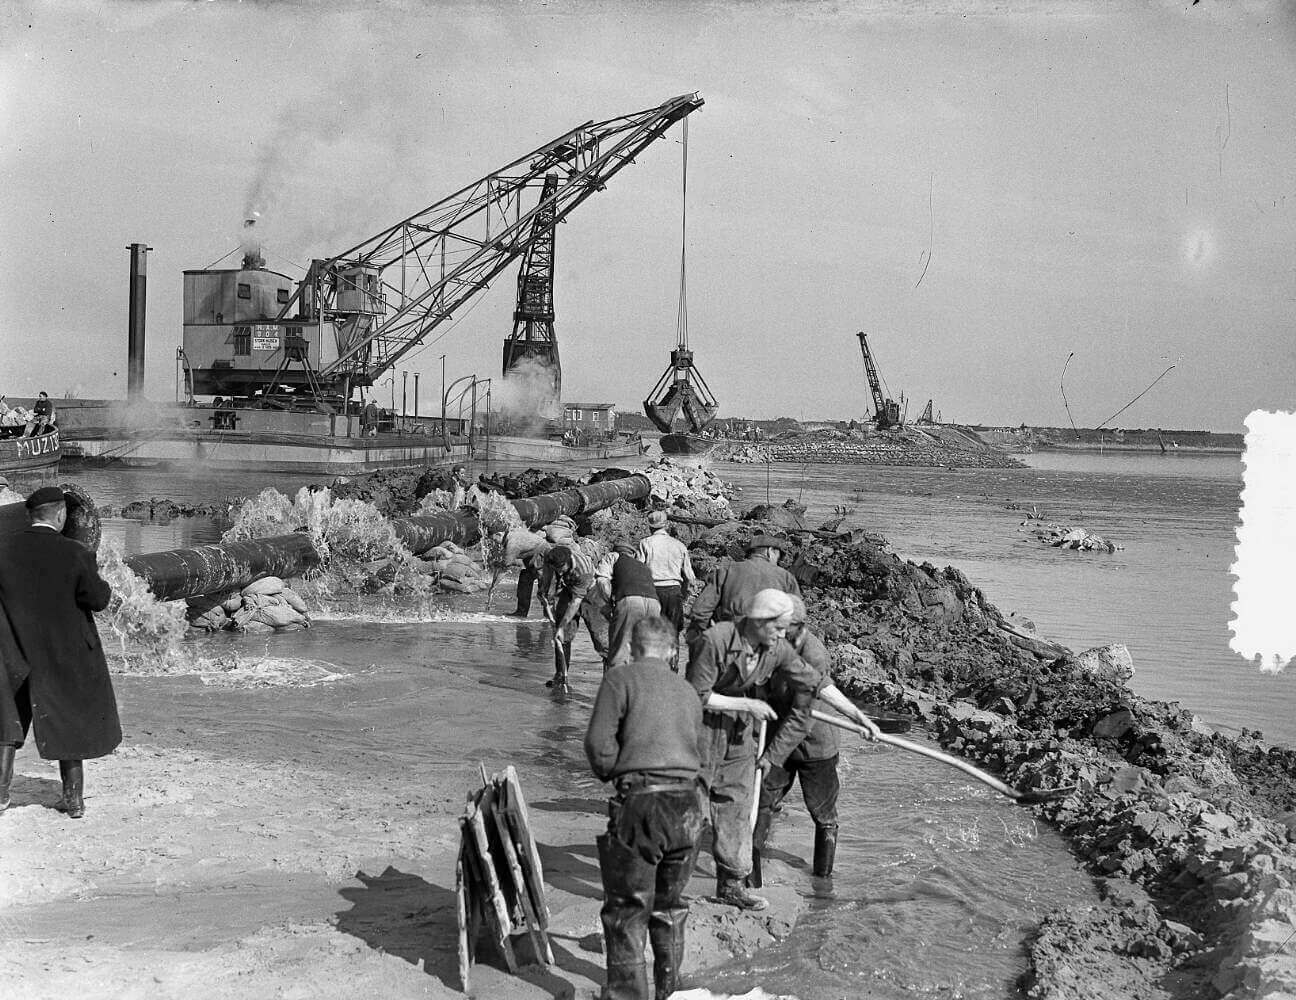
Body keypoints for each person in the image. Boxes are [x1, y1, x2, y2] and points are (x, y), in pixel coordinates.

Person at [685, 588, 877, 910]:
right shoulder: (716, 640)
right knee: (696, 807)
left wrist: (859, 717)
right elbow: (695, 694)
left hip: (771, 737)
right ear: (760, 622)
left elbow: (816, 685)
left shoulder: (783, 649)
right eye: (777, 629)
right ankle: (668, 883)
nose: (781, 636)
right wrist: (747, 705)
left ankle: (739, 886)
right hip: (709, 730)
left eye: (786, 631)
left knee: (740, 804)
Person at [585, 615, 704, 1000]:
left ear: (632, 648)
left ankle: (626, 996)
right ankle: (669, 991)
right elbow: (698, 749)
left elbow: (598, 745)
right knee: (670, 908)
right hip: (688, 807)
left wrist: (615, 773)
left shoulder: (619, 679)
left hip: (643, 801)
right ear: (672, 652)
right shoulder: (687, 690)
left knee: (626, 911)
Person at [0, 486, 121, 818]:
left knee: (8, 723)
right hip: (65, 652)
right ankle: (73, 800)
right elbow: (96, 600)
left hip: (16, 649)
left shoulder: (3, 549)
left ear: (30, 515)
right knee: (70, 720)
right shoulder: (75, 553)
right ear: (60, 514)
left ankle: (1, 795)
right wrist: (106, 583)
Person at [751, 595, 843, 885]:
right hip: (779, 735)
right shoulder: (768, 641)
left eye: (782, 628)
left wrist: (770, 753)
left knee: (823, 813)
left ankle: (822, 884)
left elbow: (802, 718)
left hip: (816, 743)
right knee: (761, 801)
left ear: (798, 627)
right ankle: (751, 880)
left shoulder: (814, 655)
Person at [685, 535, 801, 643]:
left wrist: (707, 635)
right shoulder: (786, 577)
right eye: (778, 556)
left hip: (732, 638)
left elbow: (700, 610)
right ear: (770, 552)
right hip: (769, 641)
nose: (778, 561)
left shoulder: (726, 570)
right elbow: (796, 616)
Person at [539, 543, 595, 685]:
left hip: (590, 592)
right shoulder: (551, 559)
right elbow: (547, 572)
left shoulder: (583, 571)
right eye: (556, 568)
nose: (559, 571)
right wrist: (544, 590)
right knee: (561, 636)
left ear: (568, 560)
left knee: (598, 634)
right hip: (568, 587)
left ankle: (609, 675)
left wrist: (562, 626)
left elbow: (575, 602)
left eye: (561, 568)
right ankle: (561, 674)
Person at [635, 510, 696, 635]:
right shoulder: (679, 545)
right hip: (673, 592)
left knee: (651, 634)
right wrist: (684, 597)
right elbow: (690, 577)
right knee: (672, 634)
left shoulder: (645, 543)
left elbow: (637, 571)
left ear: (650, 526)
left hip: (651, 592)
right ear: (666, 525)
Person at [606, 543, 661, 671]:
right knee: (648, 649)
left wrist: (608, 604)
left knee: (620, 648)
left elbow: (602, 580)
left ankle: (617, 686)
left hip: (631, 601)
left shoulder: (614, 558)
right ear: (634, 554)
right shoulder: (644, 566)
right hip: (654, 603)